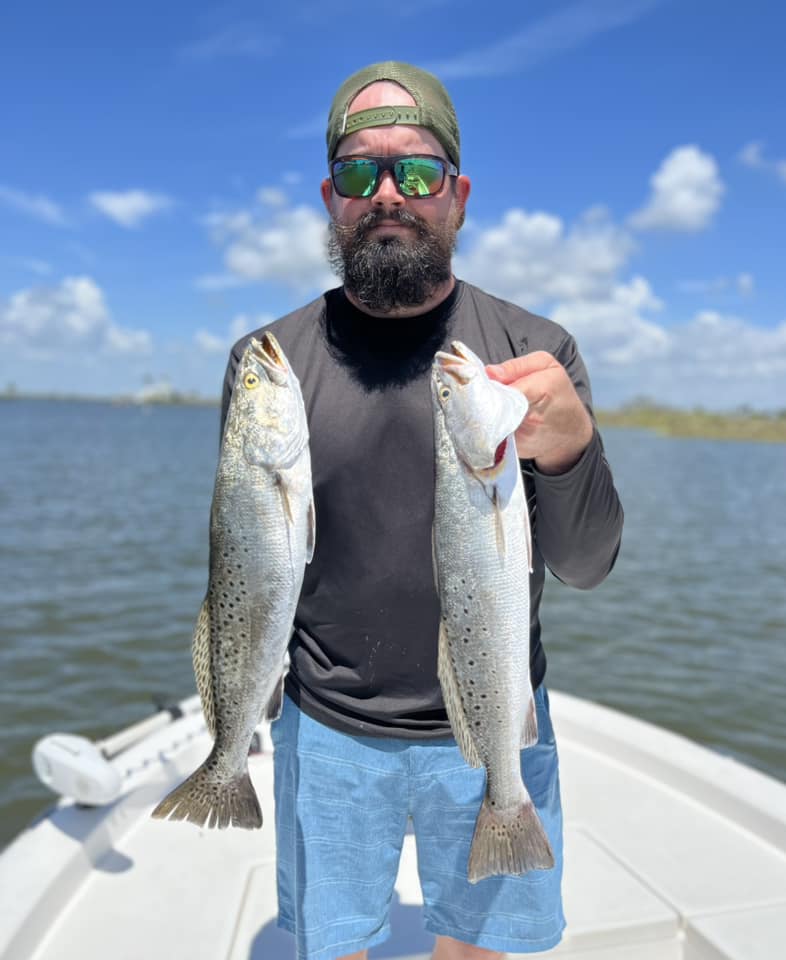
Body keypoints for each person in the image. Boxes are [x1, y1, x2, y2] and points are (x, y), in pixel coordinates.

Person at [222, 61, 624, 960]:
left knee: (481, 950)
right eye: (362, 172)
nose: (390, 193)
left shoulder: (535, 354)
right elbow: (247, 564)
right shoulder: (270, 365)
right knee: (332, 945)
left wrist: (568, 447)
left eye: (420, 170)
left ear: (460, 195)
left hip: (492, 724)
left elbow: (588, 562)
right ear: (332, 197)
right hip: (324, 728)